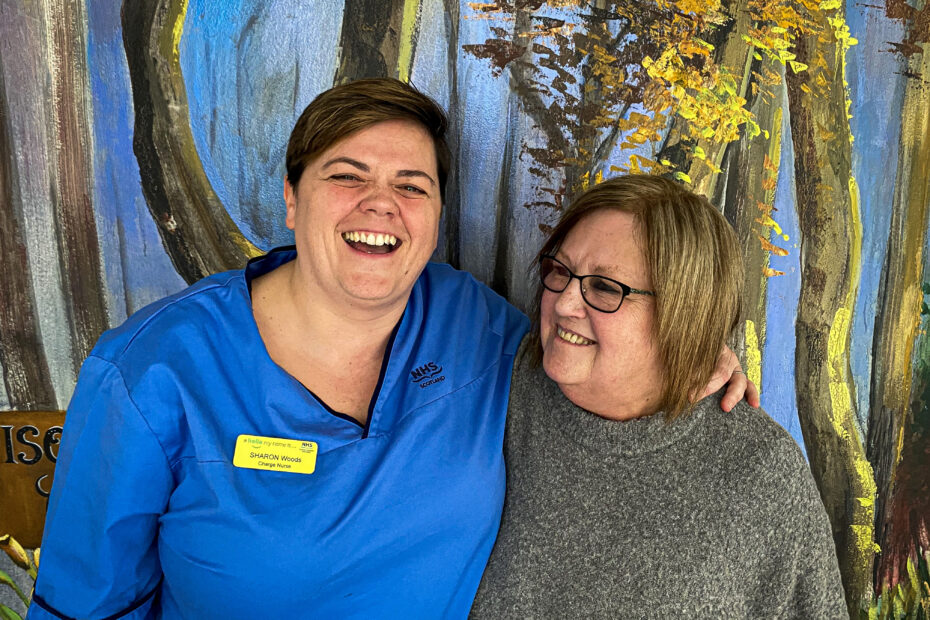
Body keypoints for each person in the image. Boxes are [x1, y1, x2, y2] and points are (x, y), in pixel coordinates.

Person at [28, 80, 752, 619]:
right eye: (347, 176)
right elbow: (81, 606)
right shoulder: (150, 372)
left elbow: (590, 350)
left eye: (412, 185)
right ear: (291, 196)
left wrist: (685, 347)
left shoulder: (476, 325)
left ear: (437, 215)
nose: (381, 204)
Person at [468, 175, 847, 618]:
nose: (564, 302)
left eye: (605, 288)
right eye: (560, 271)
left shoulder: (758, 472)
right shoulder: (492, 388)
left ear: (684, 314)